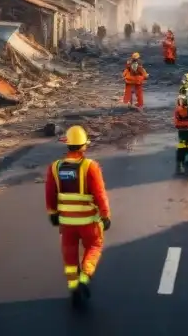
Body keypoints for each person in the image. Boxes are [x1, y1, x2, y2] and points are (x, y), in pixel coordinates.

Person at [45, 125, 111, 302]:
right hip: (89, 221)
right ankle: (84, 278)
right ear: (84, 146)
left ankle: (73, 286)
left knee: (69, 252)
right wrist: (105, 215)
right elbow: (100, 194)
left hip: (66, 223)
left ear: (67, 144)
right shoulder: (91, 166)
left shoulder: (54, 167)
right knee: (94, 246)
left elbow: (50, 193)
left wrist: (52, 212)